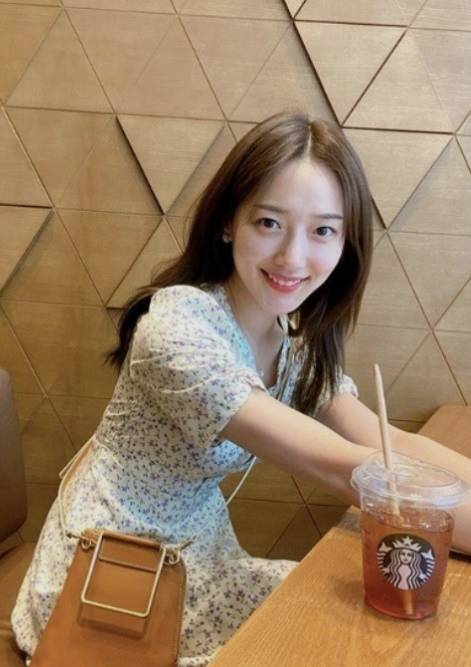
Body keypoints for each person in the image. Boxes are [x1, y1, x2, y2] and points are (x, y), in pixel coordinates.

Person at [12, 111, 471, 665]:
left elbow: (381, 439)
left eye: (323, 230)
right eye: (269, 223)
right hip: (108, 581)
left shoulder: (293, 341)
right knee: (342, 639)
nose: (292, 257)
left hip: (195, 561)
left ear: (345, 241)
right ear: (229, 222)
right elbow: (347, 470)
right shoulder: (178, 329)